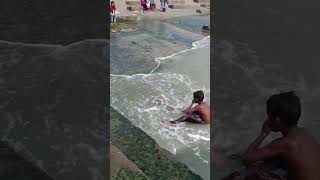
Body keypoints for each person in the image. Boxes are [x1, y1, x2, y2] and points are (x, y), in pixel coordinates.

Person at [224, 91, 320, 180]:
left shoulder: (286, 143)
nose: (267, 120)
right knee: (274, 160)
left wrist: (263, 134)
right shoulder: (304, 132)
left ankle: (222, 160)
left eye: (269, 116)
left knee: (240, 174)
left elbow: (246, 159)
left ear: (277, 120)